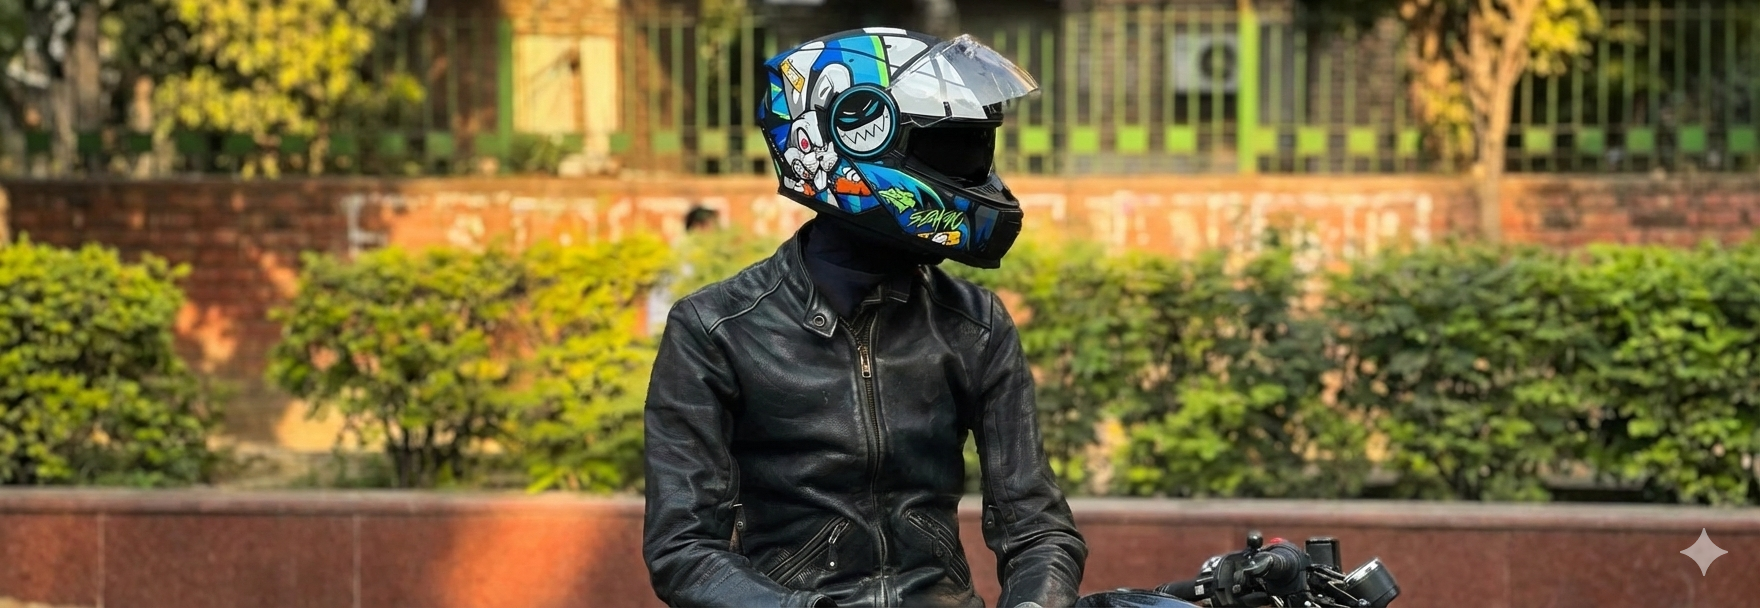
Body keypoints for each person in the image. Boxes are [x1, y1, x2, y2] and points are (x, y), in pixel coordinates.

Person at [643, 28, 1086, 608]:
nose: (973, 174)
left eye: (977, 150)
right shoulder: (716, 329)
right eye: (950, 151)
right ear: (854, 140)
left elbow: (1037, 526)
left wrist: (1035, 602)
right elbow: (683, 550)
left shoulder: (975, 324)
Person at [646, 205, 723, 336]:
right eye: (713, 227)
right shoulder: (681, 254)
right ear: (698, 227)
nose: (717, 233)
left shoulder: (708, 255)